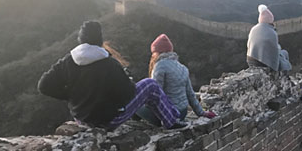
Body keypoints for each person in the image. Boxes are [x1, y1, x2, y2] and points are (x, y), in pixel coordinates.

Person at [37, 21, 181, 130]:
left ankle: (171, 117)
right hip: (108, 121)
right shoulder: (109, 63)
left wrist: (70, 95)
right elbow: (127, 94)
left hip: (81, 119)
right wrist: (125, 82)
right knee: (151, 85)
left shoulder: (68, 60)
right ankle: (171, 122)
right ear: (99, 40)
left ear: (80, 39)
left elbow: (44, 86)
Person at [136, 34, 216, 125]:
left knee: (134, 103)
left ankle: (133, 123)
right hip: (182, 113)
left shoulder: (160, 66)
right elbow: (191, 95)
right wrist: (202, 113)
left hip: (167, 116)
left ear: (157, 52)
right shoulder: (182, 68)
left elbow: (156, 95)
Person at [247, 4, 291, 71]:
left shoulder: (253, 29)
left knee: (282, 53)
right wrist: (276, 71)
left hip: (251, 60)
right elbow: (275, 55)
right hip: (263, 63)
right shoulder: (272, 33)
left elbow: (249, 45)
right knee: (284, 53)